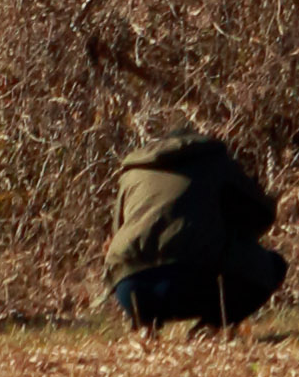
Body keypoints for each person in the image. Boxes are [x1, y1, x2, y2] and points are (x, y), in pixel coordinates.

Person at [103, 116, 285, 335]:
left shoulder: (133, 170)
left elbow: (115, 235)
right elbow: (262, 214)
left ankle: (145, 323)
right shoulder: (216, 162)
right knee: (274, 266)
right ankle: (213, 326)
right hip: (196, 284)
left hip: (132, 288)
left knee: (131, 262)